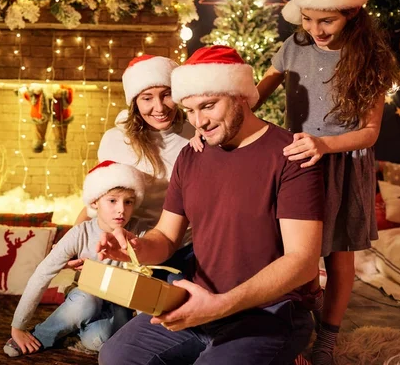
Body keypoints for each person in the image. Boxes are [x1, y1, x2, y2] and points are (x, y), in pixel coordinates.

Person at [97, 45, 325, 365]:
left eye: (208, 106)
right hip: (196, 304)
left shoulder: (291, 155)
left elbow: (302, 260)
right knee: (115, 356)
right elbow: (165, 236)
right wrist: (135, 248)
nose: (198, 121)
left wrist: (220, 305)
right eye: (189, 110)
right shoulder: (192, 155)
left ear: (240, 95)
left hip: (268, 315)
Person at [251, 0, 400, 363]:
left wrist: (325, 143)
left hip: (342, 164)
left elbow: (369, 132)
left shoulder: (371, 56)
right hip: (297, 161)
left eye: (327, 20)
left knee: (337, 257)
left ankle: (327, 341)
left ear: (351, 12)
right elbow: (254, 96)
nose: (315, 28)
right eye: (308, 18)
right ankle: (292, 330)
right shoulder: (294, 45)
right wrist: (216, 114)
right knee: (289, 254)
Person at [4, 160, 146, 357]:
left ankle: (76, 332)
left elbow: (148, 283)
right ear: (95, 202)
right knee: (86, 301)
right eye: (112, 200)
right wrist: (18, 326)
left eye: (128, 201)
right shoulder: (80, 233)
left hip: (119, 302)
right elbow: (42, 274)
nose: (121, 209)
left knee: (100, 341)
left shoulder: (142, 231)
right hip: (86, 297)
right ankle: (40, 336)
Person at [72, 54, 196, 276]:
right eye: (147, 98)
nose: (159, 107)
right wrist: (73, 245)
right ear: (135, 103)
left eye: (166, 95)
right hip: (127, 248)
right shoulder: (116, 141)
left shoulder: (196, 134)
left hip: (184, 247)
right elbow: (99, 200)